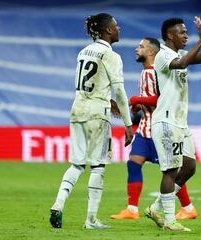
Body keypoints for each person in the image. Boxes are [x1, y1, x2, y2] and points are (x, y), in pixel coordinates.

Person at [49, 13, 133, 229]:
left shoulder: (83, 52)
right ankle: (91, 219)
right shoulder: (111, 55)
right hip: (97, 114)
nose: (119, 29)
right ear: (107, 31)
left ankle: (58, 204)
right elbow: (121, 91)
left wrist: (108, 99)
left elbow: (90, 83)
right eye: (116, 26)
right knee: (98, 166)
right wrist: (128, 123)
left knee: (77, 164)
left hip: (78, 109)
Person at [109, 37, 197, 220]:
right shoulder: (144, 73)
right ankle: (132, 209)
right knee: (133, 163)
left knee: (170, 170)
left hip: (159, 128)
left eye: (141, 46)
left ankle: (188, 207)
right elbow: (149, 101)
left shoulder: (155, 73)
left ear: (151, 52)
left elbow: (160, 100)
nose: (136, 48)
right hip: (144, 128)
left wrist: (136, 100)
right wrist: (138, 106)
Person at [144, 17, 201, 232]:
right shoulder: (162, 56)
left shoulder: (180, 53)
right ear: (170, 35)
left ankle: (155, 207)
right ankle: (169, 220)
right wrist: (200, 42)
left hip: (180, 122)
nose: (185, 35)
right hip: (166, 121)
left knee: (189, 166)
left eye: (186, 32)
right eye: (182, 32)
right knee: (171, 170)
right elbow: (181, 64)